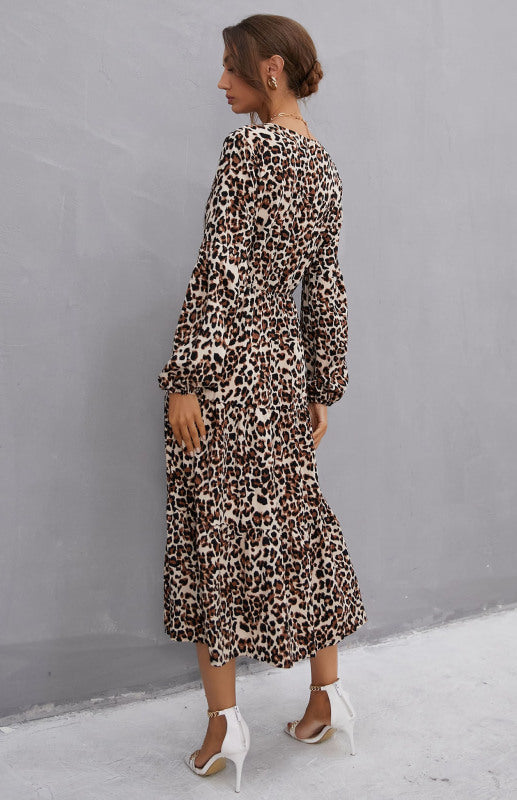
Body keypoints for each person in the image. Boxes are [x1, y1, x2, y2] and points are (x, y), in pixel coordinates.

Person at [157, 13, 368, 791]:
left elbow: (217, 272)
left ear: (270, 68)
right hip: (282, 375)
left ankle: (224, 727)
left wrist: (184, 378)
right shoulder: (323, 165)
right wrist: (322, 387)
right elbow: (326, 287)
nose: (221, 82)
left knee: (215, 535)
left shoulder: (247, 152)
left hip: (225, 374)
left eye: (231, 66)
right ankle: (326, 697)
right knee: (295, 523)